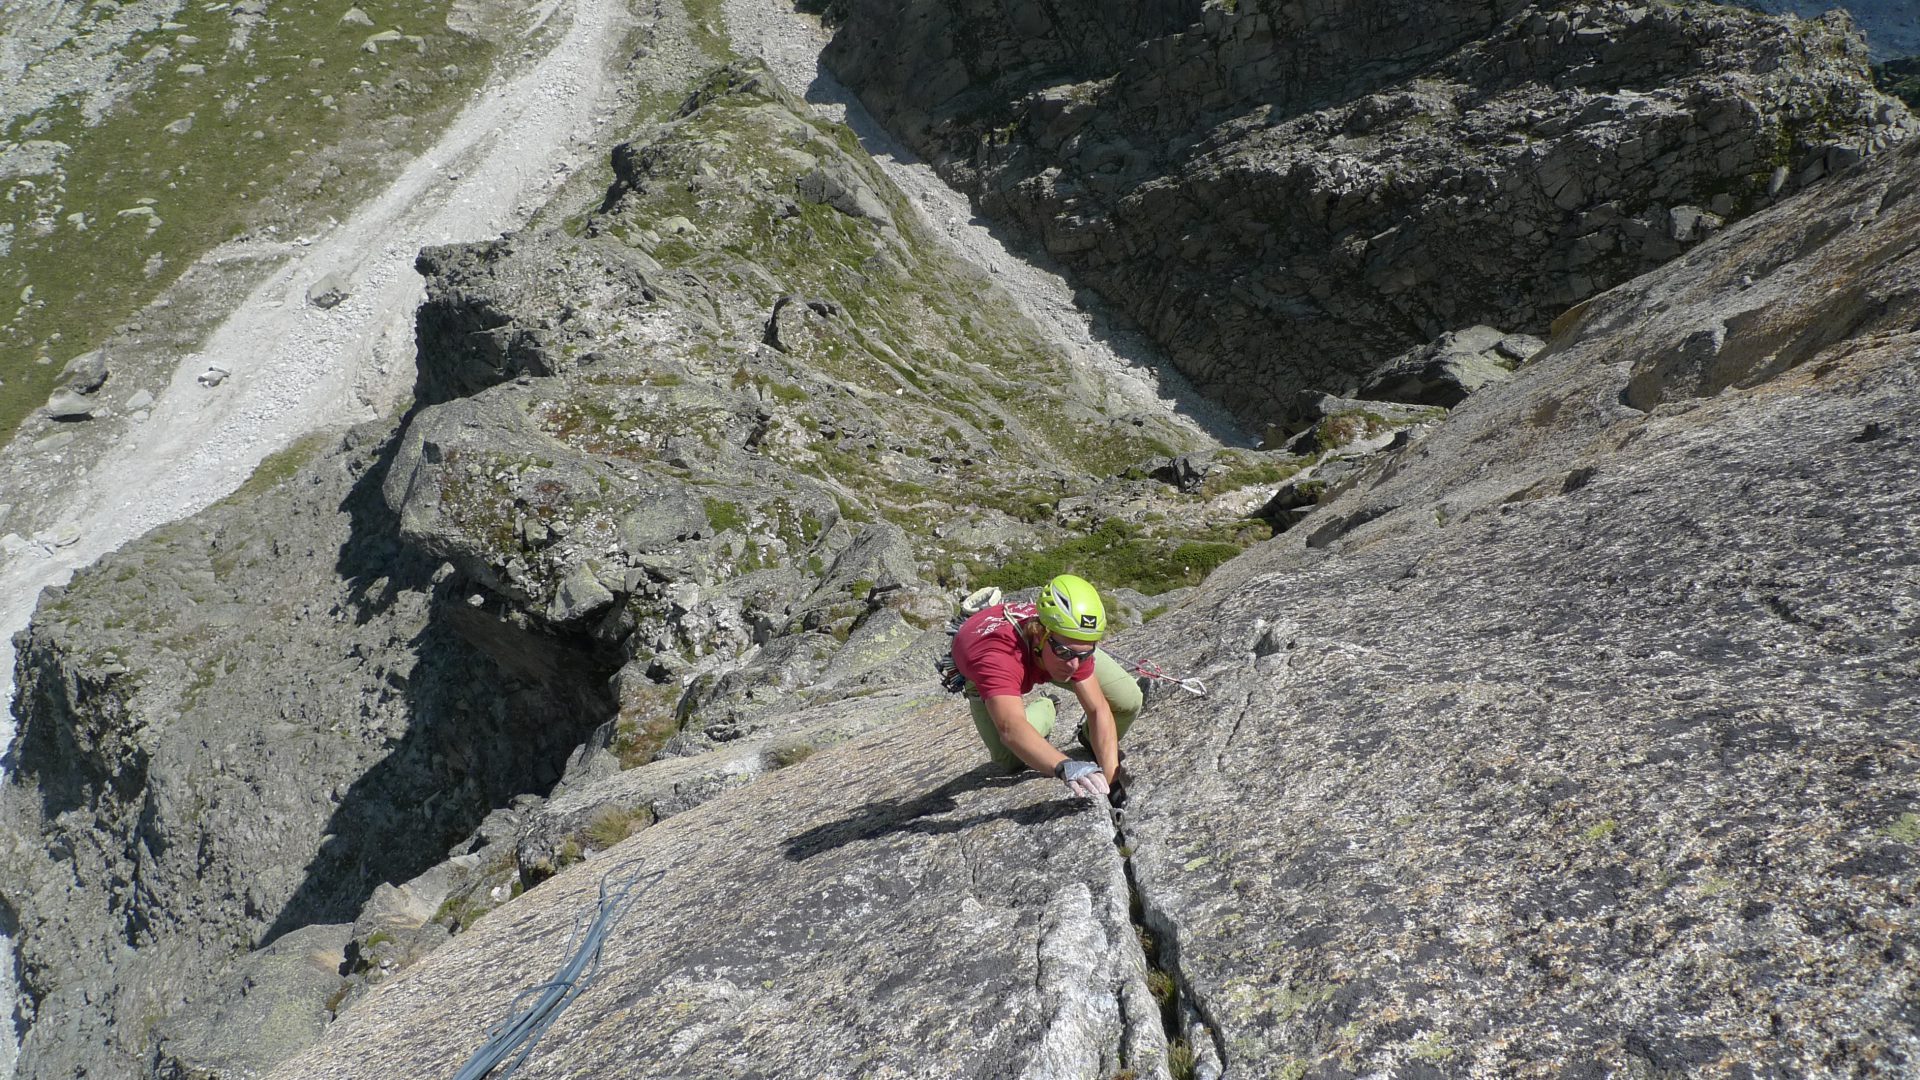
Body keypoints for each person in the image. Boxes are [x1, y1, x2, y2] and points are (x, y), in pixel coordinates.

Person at [948, 574, 1142, 799]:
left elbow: (1098, 709)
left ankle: (1089, 738)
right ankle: (1047, 704)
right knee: (1011, 758)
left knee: (1128, 702)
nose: (1074, 665)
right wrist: (1063, 765)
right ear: (1039, 633)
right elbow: (1011, 728)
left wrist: (1112, 784)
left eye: (1086, 653)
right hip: (993, 661)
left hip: (1049, 651)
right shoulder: (996, 657)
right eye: (1067, 653)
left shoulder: (1068, 641)